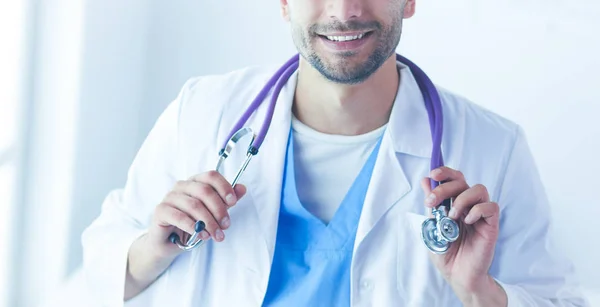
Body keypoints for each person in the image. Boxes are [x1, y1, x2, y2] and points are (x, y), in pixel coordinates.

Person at [81, 0, 589, 306]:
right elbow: (101, 266)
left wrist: (478, 291)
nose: (345, 11)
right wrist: (153, 247)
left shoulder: (493, 149)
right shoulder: (201, 114)